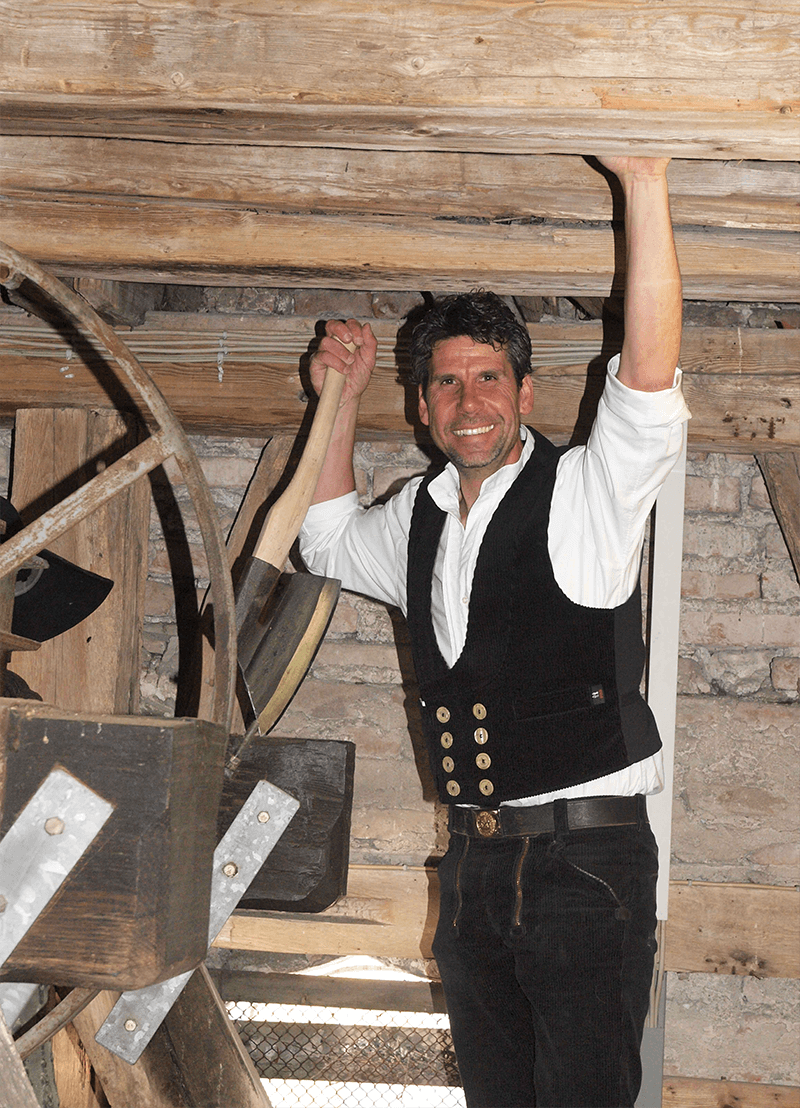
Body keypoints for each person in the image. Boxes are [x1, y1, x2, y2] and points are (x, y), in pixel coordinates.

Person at [298, 156, 689, 1107]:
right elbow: (325, 539)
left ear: (523, 392)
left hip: (585, 867)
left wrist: (643, 181)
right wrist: (337, 399)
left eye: (487, 378)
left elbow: (645, 377)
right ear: (421, 405)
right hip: (474, 862)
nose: (468, 403)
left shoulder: (587, 492)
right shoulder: (417, 515)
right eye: (446, 383)